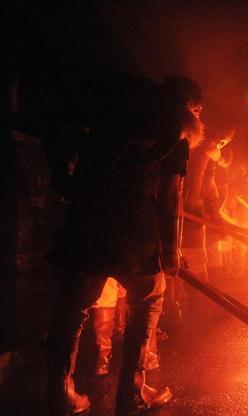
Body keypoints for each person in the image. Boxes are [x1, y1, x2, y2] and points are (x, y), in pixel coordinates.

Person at [45, 73, 196, 414]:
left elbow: (51, 122)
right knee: (145, 306)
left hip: (86, 222)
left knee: (71, 309)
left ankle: (59, 393)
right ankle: (132, 392)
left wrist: (61, 176)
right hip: (136, 231)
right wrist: (171, 251)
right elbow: (170, 197)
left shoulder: (107, 117)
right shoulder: (173, 128)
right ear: (189, 107)